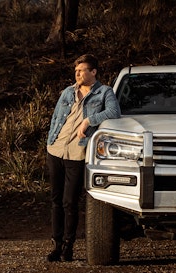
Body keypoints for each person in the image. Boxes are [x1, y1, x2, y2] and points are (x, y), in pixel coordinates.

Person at [45, 54, 121, 262]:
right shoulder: (68, 92)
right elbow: (55, 118)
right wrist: (50, 141)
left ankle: (69, 246)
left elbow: (114, 113)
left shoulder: (104, 92)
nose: (77, 74)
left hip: (78, 153)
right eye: (76, 70)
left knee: (70, 201)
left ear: (93, 72)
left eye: (82, 70)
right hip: (56, 149)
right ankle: (56, 245)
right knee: (56, 200)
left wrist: (89, 120)